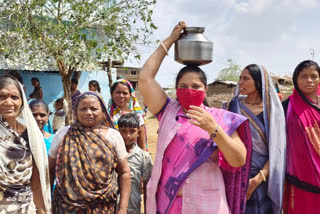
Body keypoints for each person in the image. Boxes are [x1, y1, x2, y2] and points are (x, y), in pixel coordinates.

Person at [139, 22, 252, 214]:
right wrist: (170, 40)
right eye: (183, 86)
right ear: (175, 89)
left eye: (195, 86)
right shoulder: (167, 111)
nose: (189, 90)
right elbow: (145, 78)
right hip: (172, 204)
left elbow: (238, 159)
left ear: (205, 89)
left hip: (209, 205)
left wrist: (213, 129)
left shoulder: (220, 118)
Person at [48, 91, 131, 213]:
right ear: (76, 111)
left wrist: (123, 208)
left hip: (102, 207)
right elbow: (49, 171)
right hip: (66, 207)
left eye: (93, 108)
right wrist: (46, 202)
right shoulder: (63, 134)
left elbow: (124, 172)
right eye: (83, 109)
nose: (88, 113)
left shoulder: (113, 136)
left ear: (103, 112)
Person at [223, 64, 286, 214]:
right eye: (240, 78)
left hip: (262, 178)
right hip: (235, 175)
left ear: (258, 82)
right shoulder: (233, 106)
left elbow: (278, 150)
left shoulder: (272, 111)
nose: (240, 82)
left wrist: (257, 180)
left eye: (246, 78)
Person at [0, 75, 51, 213]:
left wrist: (41, 210)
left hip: (25, 209)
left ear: (22, 101)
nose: (8, 102)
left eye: (14, 97)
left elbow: (36, 182)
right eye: (2, 97)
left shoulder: (31, 135)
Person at [282, 60, 320, 213]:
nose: (309, 80)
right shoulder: (286, 107)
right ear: (296, 79)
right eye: (303, 76)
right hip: (300, 178)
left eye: (314, 76)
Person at [117, 113, 153, 214]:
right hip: (111, 207)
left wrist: (147, 210)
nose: (127, 135)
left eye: (132, 131)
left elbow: (147, 187)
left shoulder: (144, 157)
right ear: (118, 132)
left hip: (132, 207)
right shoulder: (112, 153)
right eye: (123, 131)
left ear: (138, 132)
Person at [108, 79, 147, 151]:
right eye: (118, 92)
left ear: (130, 95)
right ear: (112, 94)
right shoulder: (106, 115)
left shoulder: (137, 116)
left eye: (125, 93)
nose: (121, 96)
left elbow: (142, 145)